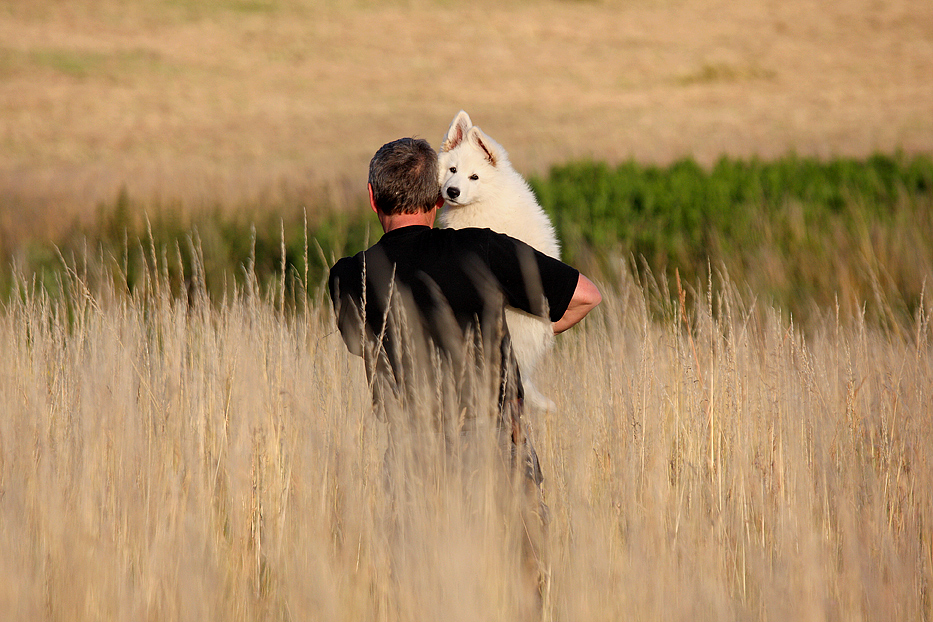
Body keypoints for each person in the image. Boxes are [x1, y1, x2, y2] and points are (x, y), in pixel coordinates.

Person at [328, 137, 600, 599]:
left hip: (412, 454)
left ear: (372, 196)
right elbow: (586, 296)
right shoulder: (483, 249)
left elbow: (361, 345)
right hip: (497, 444)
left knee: (422, 594)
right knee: (520, 589)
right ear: (438, 193)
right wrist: (525, 337)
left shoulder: (349, 276)